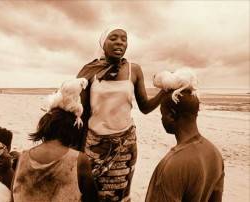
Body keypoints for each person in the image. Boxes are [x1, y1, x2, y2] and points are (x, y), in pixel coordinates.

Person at [77, 28, 166, 201]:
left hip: (126, 145)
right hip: (95, 145)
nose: (120, 42)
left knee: (121, 194)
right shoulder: (90, 71)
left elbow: (145, 107)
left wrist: (166, 90)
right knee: (90, 194)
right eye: (114, 38)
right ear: (103, 43)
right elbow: (82, 112)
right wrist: (79, 149)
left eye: (124, 39)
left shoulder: (135, 70)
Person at [145, 90, 224, 202]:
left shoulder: (172, 165)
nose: (161, 119)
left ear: (171, 115)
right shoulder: (215, 154)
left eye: (162, 114)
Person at [12, 108, 98, 201]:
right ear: (71, 131)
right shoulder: (78, 159)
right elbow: (92, 198)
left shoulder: (23, 157)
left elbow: (13, 196)